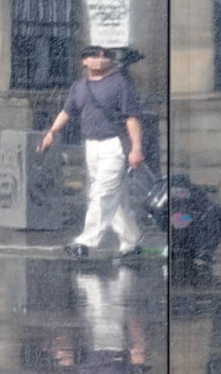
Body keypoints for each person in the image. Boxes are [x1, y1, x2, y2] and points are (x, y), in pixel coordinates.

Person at [38, 45, 146, 263]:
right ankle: (132, 240)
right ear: (84, 61)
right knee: (112, 197)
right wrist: (51, 133)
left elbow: (132, 118)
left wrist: (136, 148)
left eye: (105, 56)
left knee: (103, 193)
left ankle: (86, 241)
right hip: (91, 146)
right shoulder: (79, 87)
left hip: (114, 145)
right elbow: (67, 112)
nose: (100, 59)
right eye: (95, 56)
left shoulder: (119, 84)